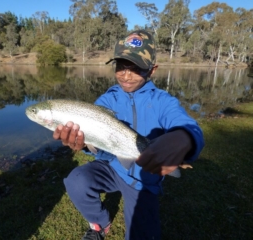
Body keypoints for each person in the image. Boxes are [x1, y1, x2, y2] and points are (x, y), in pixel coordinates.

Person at [53, 30, 204, 240]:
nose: (126, 74)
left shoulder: (163, 101)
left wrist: (184, 137)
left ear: (152, 70)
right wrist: (85, 145)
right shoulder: (106, 101)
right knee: (76, 180)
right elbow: (99, 149)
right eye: (121, 66)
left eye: (136, 68)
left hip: (144, 178)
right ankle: (100, 223)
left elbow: (189, 126)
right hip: (113, 167)